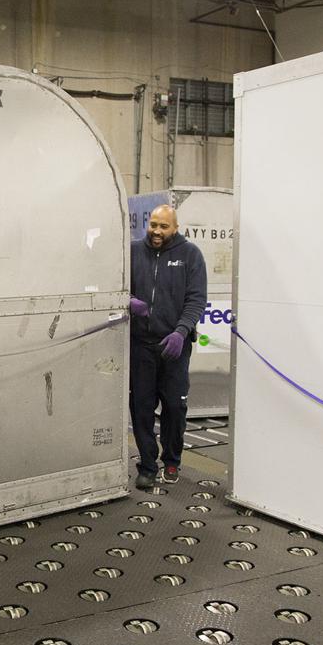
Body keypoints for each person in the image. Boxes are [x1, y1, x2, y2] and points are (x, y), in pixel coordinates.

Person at [128, 204, 207, 488]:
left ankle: (172, 461)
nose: (157, 231)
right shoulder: (133, 252)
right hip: (141, 347)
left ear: (175, 227)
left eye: (164, 226)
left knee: (174, 406)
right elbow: (115, 284)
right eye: (153, 225)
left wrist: (181, 332)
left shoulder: (191, 255)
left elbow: (196, 299)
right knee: (141, 408)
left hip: (174, 346)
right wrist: (128, 300)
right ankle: (147, 465)